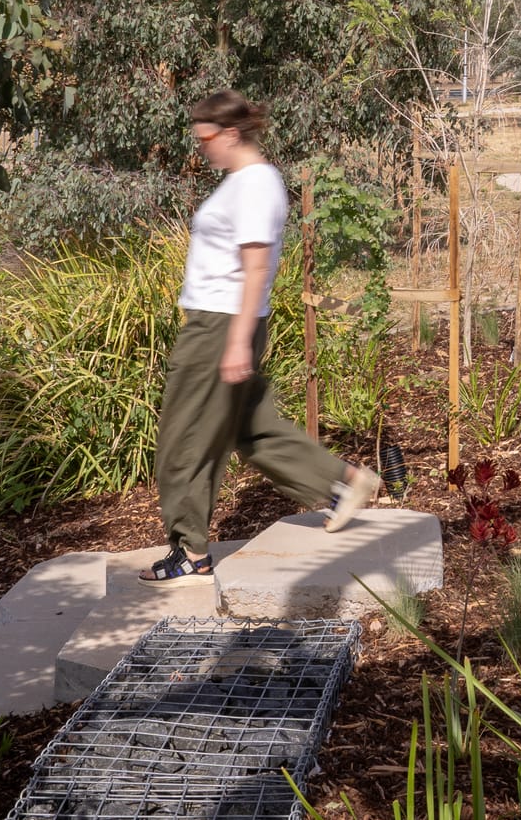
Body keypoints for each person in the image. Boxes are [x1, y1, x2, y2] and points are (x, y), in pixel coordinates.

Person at [140, 90, 380, 584]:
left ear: (230, 134)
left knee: (182, 441)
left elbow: (255, 269)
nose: (201, 147)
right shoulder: (245, 181)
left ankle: (190, 553)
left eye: (205, 138)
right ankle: (343, 482)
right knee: (250, 431)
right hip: (223, 322)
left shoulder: (252, 185)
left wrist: (234, 341)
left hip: (221, 324)